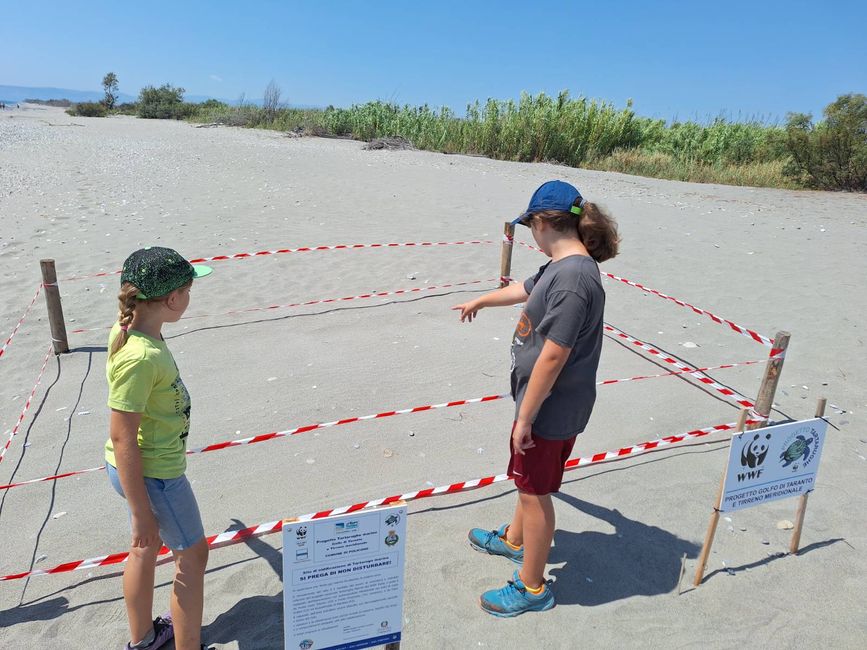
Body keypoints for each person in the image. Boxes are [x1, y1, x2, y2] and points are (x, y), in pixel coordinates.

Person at [453, 180, 620, 617]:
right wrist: (482, 301)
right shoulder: (559, 267)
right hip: (546, 403)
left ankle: (532, 587)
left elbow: (554, 355)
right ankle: (514, 540)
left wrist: (525, 417)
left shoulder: (574, 279)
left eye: (530, 225)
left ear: (544, 223)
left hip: (549, 407)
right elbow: (526, 290)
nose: (530, 234)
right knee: (527, 481)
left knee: (536, 491)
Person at [105, 247, 213, 649]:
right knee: (192, 558)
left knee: (144, 548)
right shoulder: (143, 358)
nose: (189, 297)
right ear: (171, 299)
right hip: (156, 476)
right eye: (187, 290)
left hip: (132, 470)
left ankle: (144, 639)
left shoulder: (127, 330)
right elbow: (122, 435)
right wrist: (140, 511)